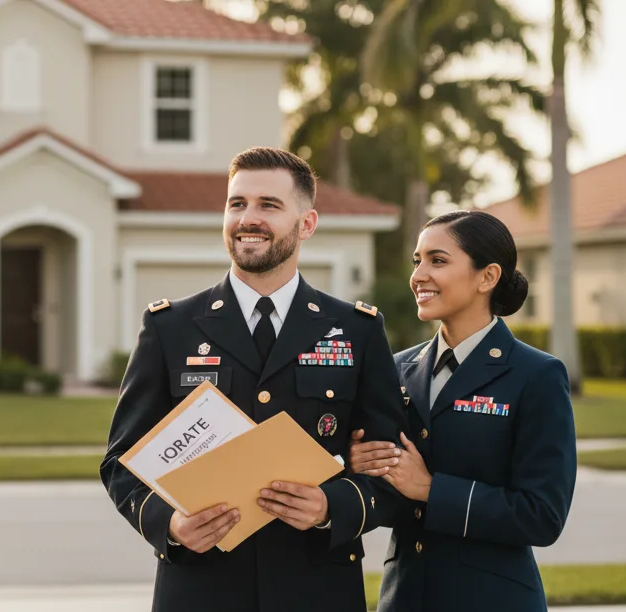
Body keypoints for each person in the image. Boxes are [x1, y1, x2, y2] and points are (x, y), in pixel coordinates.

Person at [99, 147, 411, 612]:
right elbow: (121, 461)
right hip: (202, 588)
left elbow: (390, 467)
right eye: (237, 203)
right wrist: (170, 525)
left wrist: (332, 507)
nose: (248, 218)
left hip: (317, 587)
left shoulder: (355, 330)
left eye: (268, 205)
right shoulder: (171, 326)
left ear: (306, 224)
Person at [348, 210, 577, 612]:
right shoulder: (396, 368)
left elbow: (542, 515)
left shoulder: (536, 375)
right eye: (418, 260)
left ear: (487, 277)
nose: (419, 274)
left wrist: (430, 489)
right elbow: (386, 494)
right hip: (404, 597)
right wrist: (361, 463)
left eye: (438, 260)